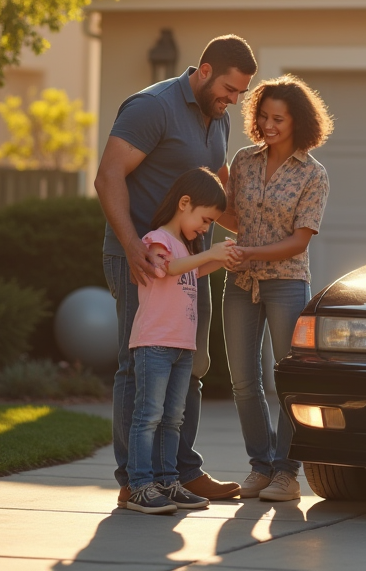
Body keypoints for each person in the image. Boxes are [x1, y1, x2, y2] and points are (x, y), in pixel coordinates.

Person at [95, 34, 256, 507]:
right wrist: (130, 247)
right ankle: (135, 479)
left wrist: (261, 235)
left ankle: (178, 472)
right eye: (229, 89)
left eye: (241, 93)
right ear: (205, 71)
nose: (233, 100)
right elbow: (108, 176)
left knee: (190, 363)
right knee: (137, 367)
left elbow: (214, 199)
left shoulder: (218, 121)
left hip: (189, 263)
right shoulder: (153, 107)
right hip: (142, 258)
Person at [219, 74, 333, 502]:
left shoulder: (314, 174)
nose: (269, 125)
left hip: (286, 283)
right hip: (240, 283)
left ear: (298, 122)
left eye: (279, 119)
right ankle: (261, 466)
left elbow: (300, 239)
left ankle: (287, 472)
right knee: (243, 381)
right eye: (264, 116)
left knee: (286, 380)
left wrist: (248, 252)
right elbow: (233, 218)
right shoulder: (244, 161)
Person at [125, 168, 237, 515]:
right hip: (155, 344)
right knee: (148, 416)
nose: (205, 229)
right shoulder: (156, 240)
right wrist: (208, 253)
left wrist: (220, 257)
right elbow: (167, 270)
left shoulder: (186, 250)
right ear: (184, 203)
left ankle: (168, 481)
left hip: (181, 346)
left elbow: (190, 270)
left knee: (173, 418)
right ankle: (140, 486)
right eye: (204, 220)